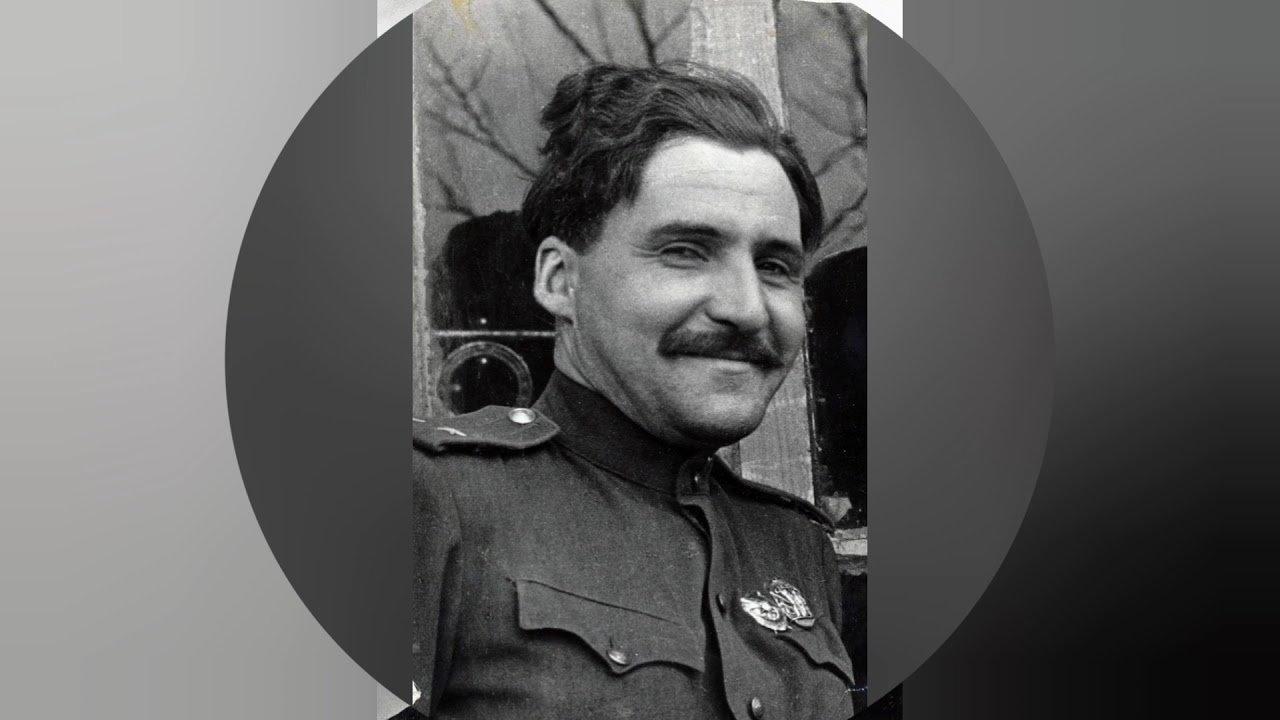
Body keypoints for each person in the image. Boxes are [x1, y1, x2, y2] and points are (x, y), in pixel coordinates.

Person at [406, 62, 856, 720]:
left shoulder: (795, 546)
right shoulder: (426, 498)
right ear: (560, 280)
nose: (746, 308)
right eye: (685, 251)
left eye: (775, 266)